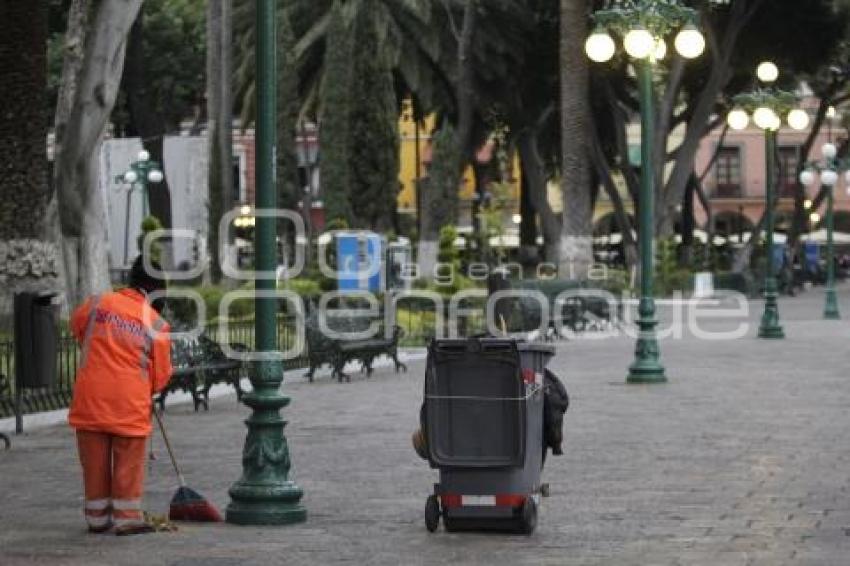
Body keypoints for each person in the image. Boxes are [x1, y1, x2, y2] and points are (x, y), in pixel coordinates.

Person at [68, 256, 172, 535]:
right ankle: (127, 517)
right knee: (128, 464)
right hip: (129, 405)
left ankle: (97, 518)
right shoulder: (156, 323)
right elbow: (161, 376)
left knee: (94, 464)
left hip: (90, 402)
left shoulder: (96, 304)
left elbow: (77, 328)